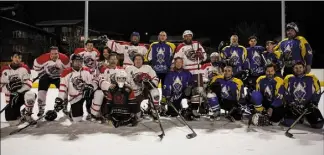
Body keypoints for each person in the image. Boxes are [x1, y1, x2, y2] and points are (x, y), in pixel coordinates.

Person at [173, 30, 207, 119]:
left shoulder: (197, 44)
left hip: (197, 70)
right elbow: (176, 59)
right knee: (187, 91)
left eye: (189, 36)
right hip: (186, 71)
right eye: (186, 36)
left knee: (198, 90)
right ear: (183, 37)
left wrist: (201, 56)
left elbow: (205, 56)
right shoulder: (180, 46)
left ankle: (194, 109)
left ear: (192, 36)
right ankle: (187, 107)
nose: (188, 37)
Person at [54, 54, 96, 122]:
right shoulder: (66, 72)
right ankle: (72, 112)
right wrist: (60, 99)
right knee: (77, 119)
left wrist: (90, 88)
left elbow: (92, 82)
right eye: (76, 61)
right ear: (72, 62)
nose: (78, 63)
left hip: (86, 95)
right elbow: (63, 87)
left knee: (94, 96)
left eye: (80, 61)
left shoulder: (87, 70)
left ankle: (90, 112)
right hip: (75, 98)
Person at [90, 52, 129, 123]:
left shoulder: (122, 70)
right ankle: (94, 114)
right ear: (108, 60)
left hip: (119, 91)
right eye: (111, 59)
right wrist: (109, 86)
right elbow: (101, 80)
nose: (113, 61)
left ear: (117, 61)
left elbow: (126, 80)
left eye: (115, 59)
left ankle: (126, 114)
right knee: (99, 93)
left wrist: (122, 85)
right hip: (107, 92)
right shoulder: (104, 69)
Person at [0, 51, 37, 126]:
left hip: (21, 95)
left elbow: (29, 84)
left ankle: (27, 115)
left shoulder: (25, 68)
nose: (17, 59)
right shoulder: (4, 70)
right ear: (11, 58)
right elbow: (1, 85)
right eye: (15, 57)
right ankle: (20, 116)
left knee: (30, 94)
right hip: (11, 98)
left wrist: (18, 92)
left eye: (19, 57)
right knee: (13, 123)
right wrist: (9, 89)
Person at [283, 61, 323, 129]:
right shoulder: (288, 78)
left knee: (319, 125)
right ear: (293, 69)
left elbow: (318, 92)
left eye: (300, 67)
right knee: (288, 123)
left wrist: (313, 103)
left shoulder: (312, 78)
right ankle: (299, 117)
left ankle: (306, 117)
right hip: (294, 107)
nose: (298, 69)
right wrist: (291, 103)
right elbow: (285, 92)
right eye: (296, 68)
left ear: (304, 68)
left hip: (308, 107)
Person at [33, 46, 70, 117]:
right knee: (41, 91)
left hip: (59, 77)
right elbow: (35, 67)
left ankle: (64, 107)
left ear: (58, 53)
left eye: (56, 53)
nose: (54, 55)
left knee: (64, 90)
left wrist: (63, 75)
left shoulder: (64, 58)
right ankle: (41, 109)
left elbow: (68, 70)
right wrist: (41, 72)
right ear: (50, 53)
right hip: (47, 76)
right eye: (52, 54)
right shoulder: (43, 58)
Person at [125, 54, 159, 119]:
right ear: (133, 61)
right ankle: (137, 110)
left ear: (142, 61)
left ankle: (154, 111)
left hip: (144, 91)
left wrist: (151, 84)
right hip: (132, 93)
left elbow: (155, 78)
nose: (138, 61)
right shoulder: (128, 68)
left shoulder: (147, 67)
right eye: (136, 59)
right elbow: (125, 81)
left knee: (155, 92)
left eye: (140, 59)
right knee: (137, 116)